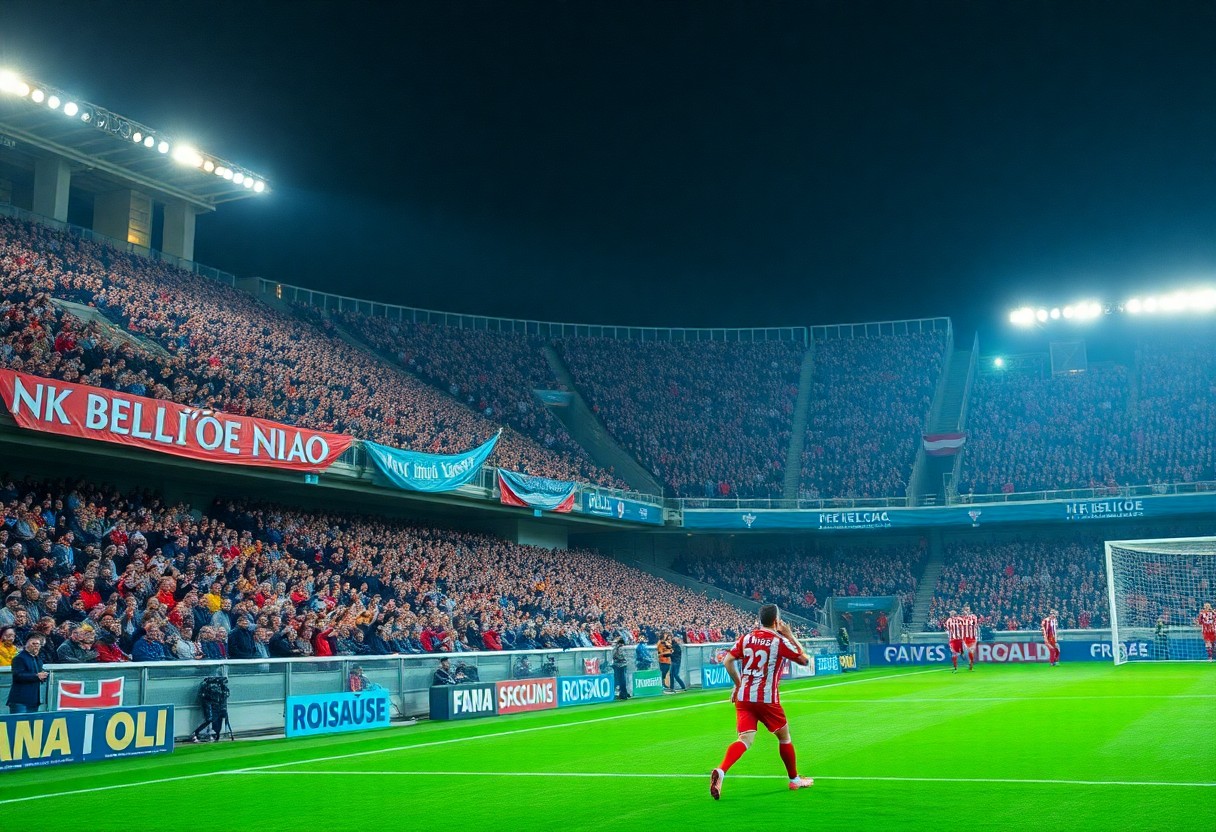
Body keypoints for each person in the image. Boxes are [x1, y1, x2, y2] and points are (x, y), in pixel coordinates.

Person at [709, 604, 814, 800]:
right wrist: (790, 635)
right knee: (784, 738)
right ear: (776, 621)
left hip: (744, 698)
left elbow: (727, 661)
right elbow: (805, 661)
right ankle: (794, 779)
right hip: (766, 700)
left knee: (744, 740)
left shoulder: (746, 638)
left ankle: (721, 770)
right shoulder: (779, 641)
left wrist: (738, 685)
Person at [6, 635, 49, 713]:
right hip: (20, 700)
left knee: (32, 724)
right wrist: (37, 676)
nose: (36, 646)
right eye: (33, 643)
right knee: (18, 723)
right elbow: (18, 675)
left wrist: (43, 676)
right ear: (26, 644)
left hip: (34, 700)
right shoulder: (19, 658)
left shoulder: (38, 659)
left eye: (38, 644)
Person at [961, 604, 980, 670]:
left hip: (973, 637)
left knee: (971, 651)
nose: (966, 611)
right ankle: (962, 653)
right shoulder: (961, 618)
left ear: (970, 610)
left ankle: (970, 663)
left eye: (968, 609)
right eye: (965, 610)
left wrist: (967, 617)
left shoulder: (974, 616)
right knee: (967, 651)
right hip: (965, 637)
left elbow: (973, 623)